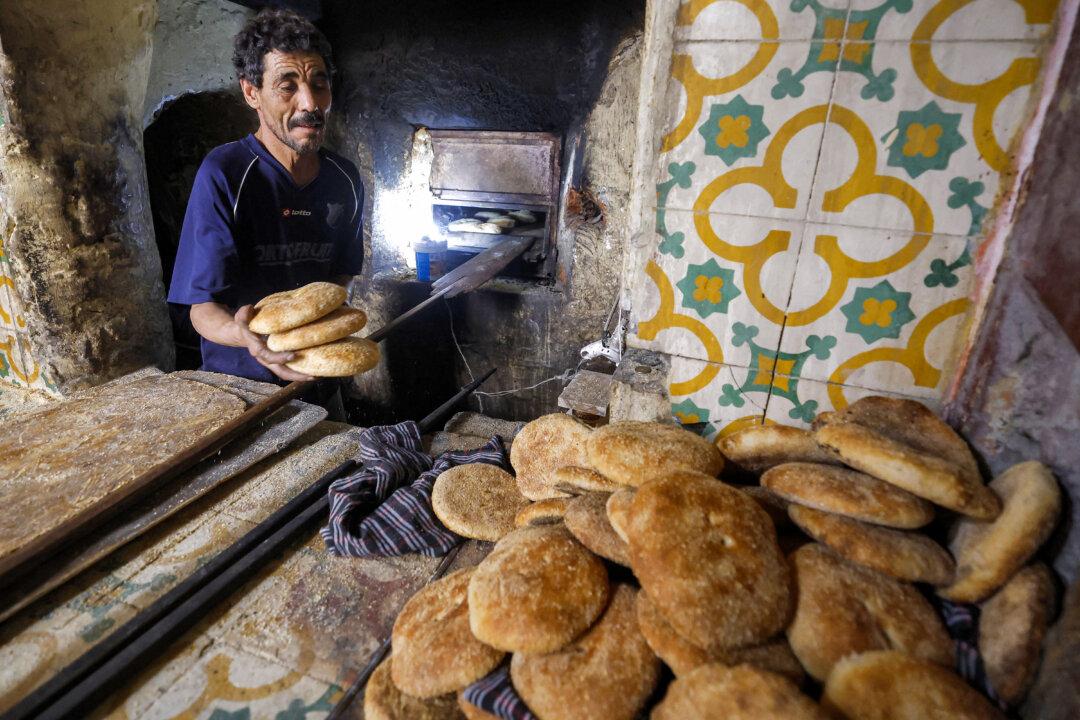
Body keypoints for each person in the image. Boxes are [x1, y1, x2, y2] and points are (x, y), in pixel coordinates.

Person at [168, 8, 363, 399]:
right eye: (287, 85)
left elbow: (340, 276)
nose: (311, 104)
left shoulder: (345, 179)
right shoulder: (226, 173)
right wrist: (247, 336)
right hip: (240, 387)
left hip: (319, 380)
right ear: (251, 92)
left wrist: (320, 333)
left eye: (319, 84)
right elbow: (201, 309)